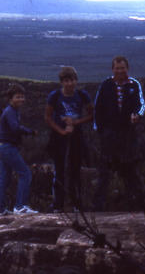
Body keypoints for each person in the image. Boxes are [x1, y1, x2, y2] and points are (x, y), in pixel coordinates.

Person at [92, 55, 145, 212]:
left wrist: (138, 115)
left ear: (127, 68)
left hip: (128, 134)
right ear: (112, 69)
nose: (120, 71)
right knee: (105, 171)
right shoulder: (105, 85)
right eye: (117, 68)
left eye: (122, 68)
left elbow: (142, 105)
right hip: (109, 135)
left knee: (131, 170)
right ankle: (98, 207)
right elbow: (98, 108)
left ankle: (138, 205)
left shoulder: (134, 84)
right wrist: (101, 131)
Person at [45, 66, 93, 212]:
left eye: (72, 80)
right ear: (61, 82)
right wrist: (61, 131)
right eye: (66, 81)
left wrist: (75, 123)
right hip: (59, 136)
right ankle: (58, 205)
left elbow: (92, 115)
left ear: (76, 81)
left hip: (76, 135)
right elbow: (47, 117)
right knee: (59, 169)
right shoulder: (55, 96)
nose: (69, 84)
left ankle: (76, 203)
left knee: (75, 169)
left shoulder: (82, 95)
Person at [0, 83, 39, 218]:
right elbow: (15, 128)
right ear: (10, 98)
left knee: (4, 179)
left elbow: (14, 127)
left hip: (3, 147)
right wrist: (29, 132)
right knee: (25, 174)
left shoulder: (12, 111)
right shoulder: (10, 112)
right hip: (7, 148)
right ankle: (20, 207)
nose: (21, 99)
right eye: (18, 97)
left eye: (23, 97)